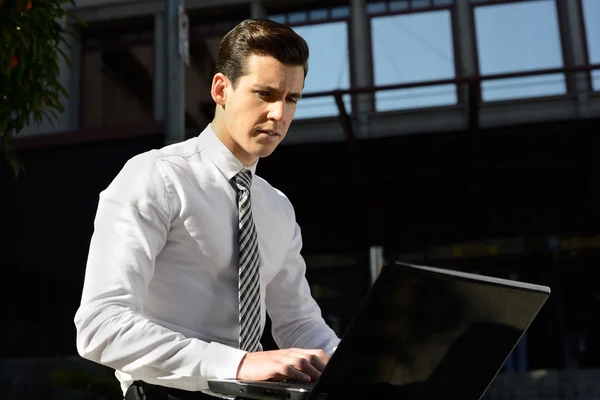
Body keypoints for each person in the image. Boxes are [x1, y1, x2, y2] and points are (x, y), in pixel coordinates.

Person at [74, 19, 340, 400]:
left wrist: (356, 365)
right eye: (264, 93)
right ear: (221, 89)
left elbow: (298, 322)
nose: (279, 114)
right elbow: (101, 326)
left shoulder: (277, 208)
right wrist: (239, 363)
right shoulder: (156, 177)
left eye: (291, 98)